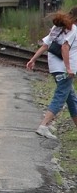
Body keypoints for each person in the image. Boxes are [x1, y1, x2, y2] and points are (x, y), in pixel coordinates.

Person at [26, 8, 77, 139]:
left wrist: (33, 59)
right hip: (65, 70)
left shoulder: (57, 27)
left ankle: (46, 125)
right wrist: (69, 68)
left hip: (55, 67)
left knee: (71, 100)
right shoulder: (73, 29)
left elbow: (45, 45)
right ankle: (43, 126)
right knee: (60, 97)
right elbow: (64, 47)